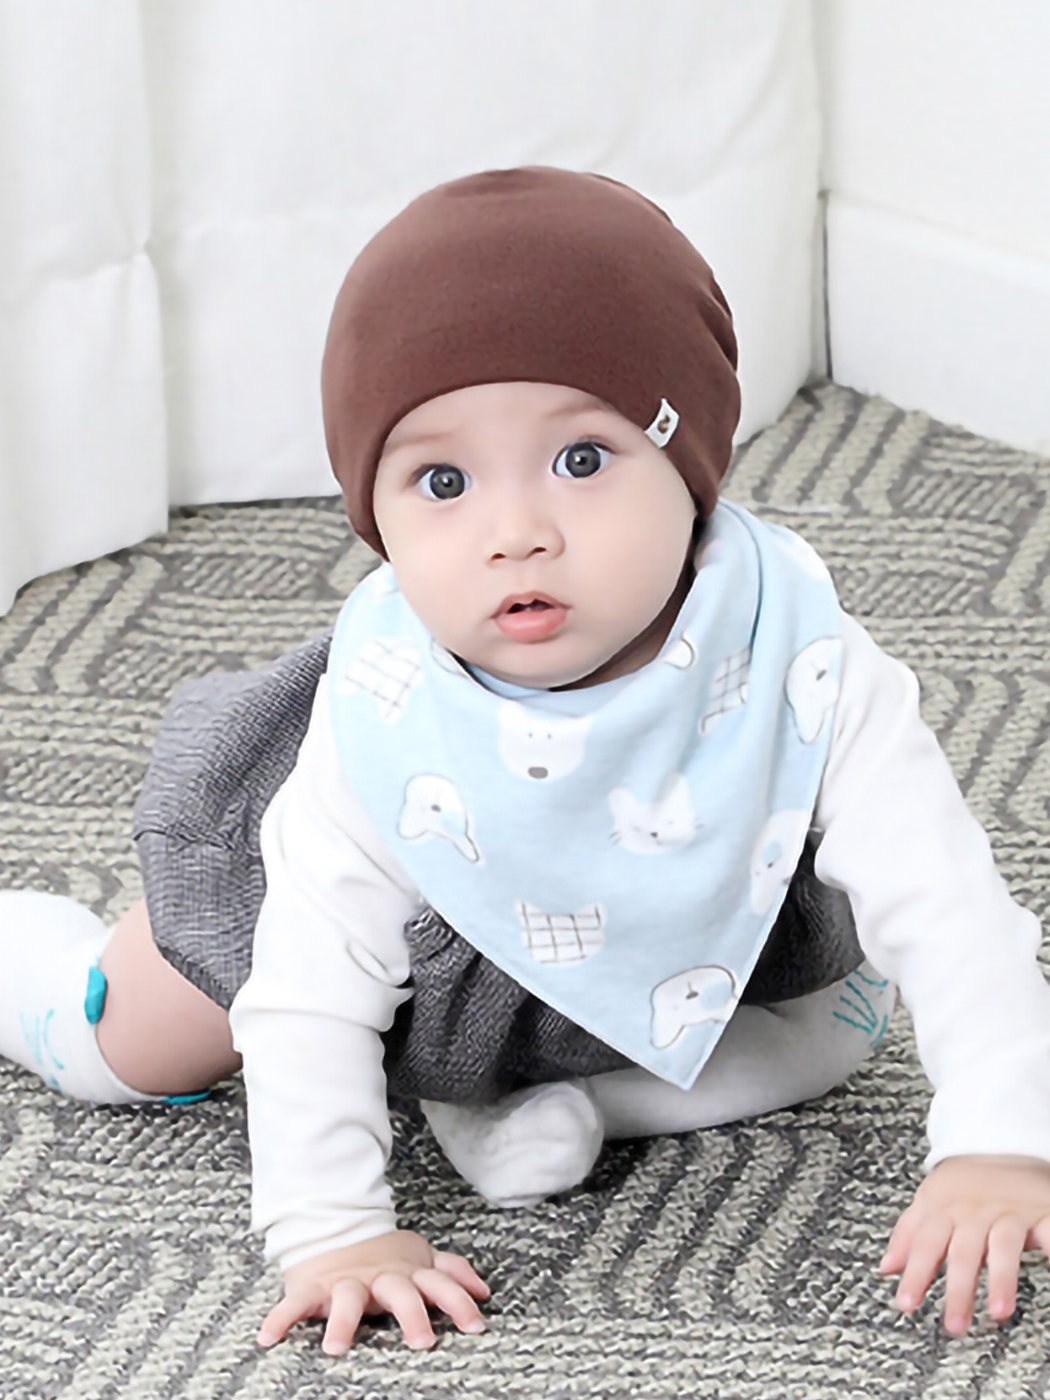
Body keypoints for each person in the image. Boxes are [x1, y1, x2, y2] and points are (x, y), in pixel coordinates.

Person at [2, 167, 1050, 1356]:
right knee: (141, 1028)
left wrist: (1000, 1141)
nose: (517, 532)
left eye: (583, 459)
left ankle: (535, 1099)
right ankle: (32, 971)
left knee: (845, 1023)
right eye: (442, 482)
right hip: (414, 959)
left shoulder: (796, 650)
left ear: (690, 463)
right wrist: (335, 1231)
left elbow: (950, 904)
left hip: (680, 941)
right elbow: (307, 994)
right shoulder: (380, 718)